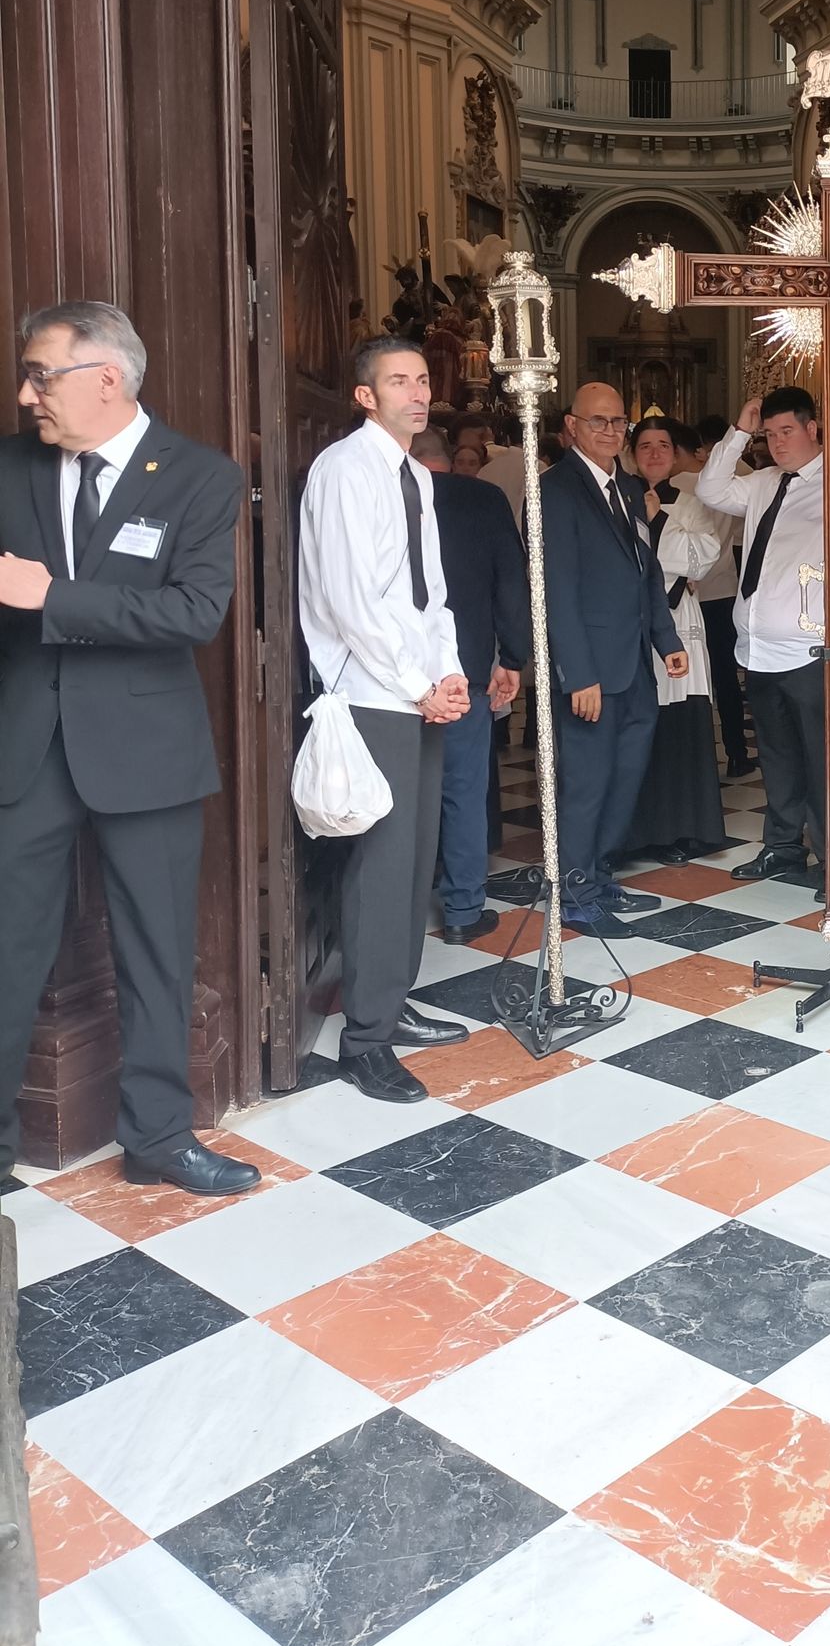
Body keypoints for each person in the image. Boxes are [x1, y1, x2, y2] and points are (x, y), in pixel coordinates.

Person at [0, 301, 261, 1194]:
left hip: (148, 751)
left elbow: (194, 611)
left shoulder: (200, 475)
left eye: (40, 374)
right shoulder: (10, 466)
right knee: (7, 949)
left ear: (106, 377)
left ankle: (157, 1138)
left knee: (156, 951)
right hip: (27, 745)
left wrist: (51, 596)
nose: (26, 393)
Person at [299, 339, 474, 1105]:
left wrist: (449, 670)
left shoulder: (416, 475)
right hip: (372, 693)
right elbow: (351, 600)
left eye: (423, 379)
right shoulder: (344, 469)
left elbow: (429, 593)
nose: (417, 392)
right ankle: (364, 1042)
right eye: (398, 381)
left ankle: (391, 1002)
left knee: (413, 858)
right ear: (365, 395)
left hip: (417, 689)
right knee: (379, 864)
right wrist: (414, 684)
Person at [699, 385, 830, 896]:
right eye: (769, 434)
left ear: (812, 429)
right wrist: (739, 432)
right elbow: (711, 489)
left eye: (787, 431)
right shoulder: (762, 482)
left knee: (823, 759)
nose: (778, 442)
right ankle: (782, 846)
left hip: (814, 652)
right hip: (758, 649)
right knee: (777, 754)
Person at [541, 382, 688, 936]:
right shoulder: (554, 490)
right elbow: (556, 589)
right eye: (597, 421)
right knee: (586, 783)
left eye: (617, 422)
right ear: (572, 426)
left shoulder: (627, 488)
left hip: (634, 665)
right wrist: (578, 673)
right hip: (591, 672)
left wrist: (668, 641)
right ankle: (574, 890)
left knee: (624, 779)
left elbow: (645, 570)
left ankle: (599, 876)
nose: (610, 431)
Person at [411, 426, 531, 942]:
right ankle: (462, 910)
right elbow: (511, 579)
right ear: (447, 458)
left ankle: (399, 909)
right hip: (466, 669)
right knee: (462, 790)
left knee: (400, 792)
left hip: (391, 673)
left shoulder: (384, 492)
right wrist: (514, 656)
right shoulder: (483, 498)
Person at [619, 417, 728, 861]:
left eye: (663, 445)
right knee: (636, 724)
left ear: (675, 453)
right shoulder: (616, 496)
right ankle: (634, 833)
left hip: (679, 620)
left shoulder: (688, 502)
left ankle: (680, 829)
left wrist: (659, 520)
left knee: (680, 722)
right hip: (630, 623)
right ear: (631, 453)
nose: (655, 454)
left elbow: (703, 558)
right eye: (645, 445)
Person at [692, 410, 752, 776]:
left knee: (691, 680)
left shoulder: (695, 484)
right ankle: (737, 753)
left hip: (697, 590)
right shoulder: (742, 474)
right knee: (725, 675)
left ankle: (697, 761)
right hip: (724, 583)